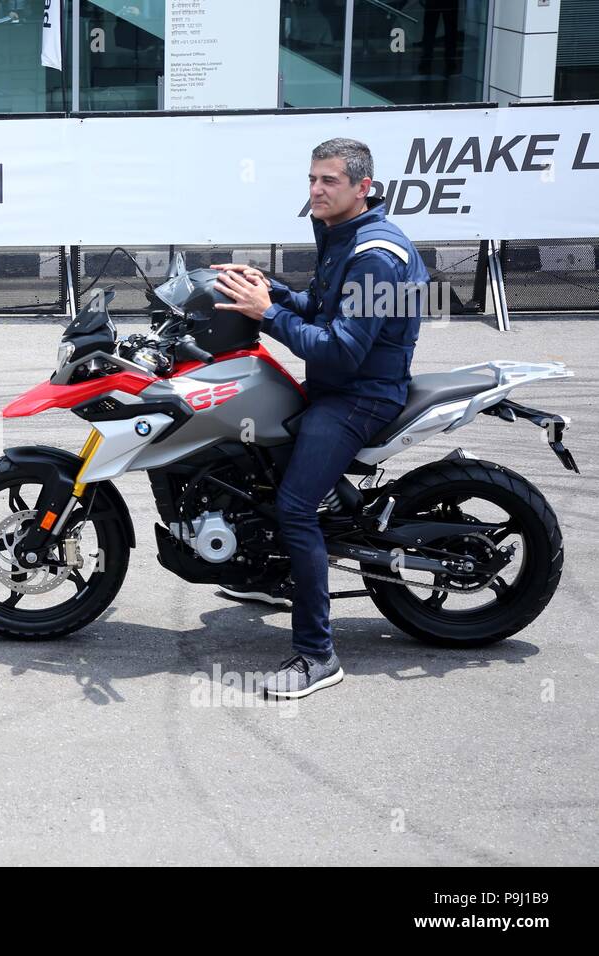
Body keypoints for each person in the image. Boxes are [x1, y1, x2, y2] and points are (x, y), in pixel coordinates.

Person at [212, 137, 428, 700]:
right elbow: (322, 306)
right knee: (254, 453)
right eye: (312, 179)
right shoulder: (344, 235)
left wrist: (266, 315)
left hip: (359, 395)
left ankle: (316, 655)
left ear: (364, 187)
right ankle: (270, 573)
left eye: (329, 181)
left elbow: (340, 349)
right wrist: (271, 290)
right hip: (338, 386)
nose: (315, 190)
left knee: (295, 507)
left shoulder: (376, 256)